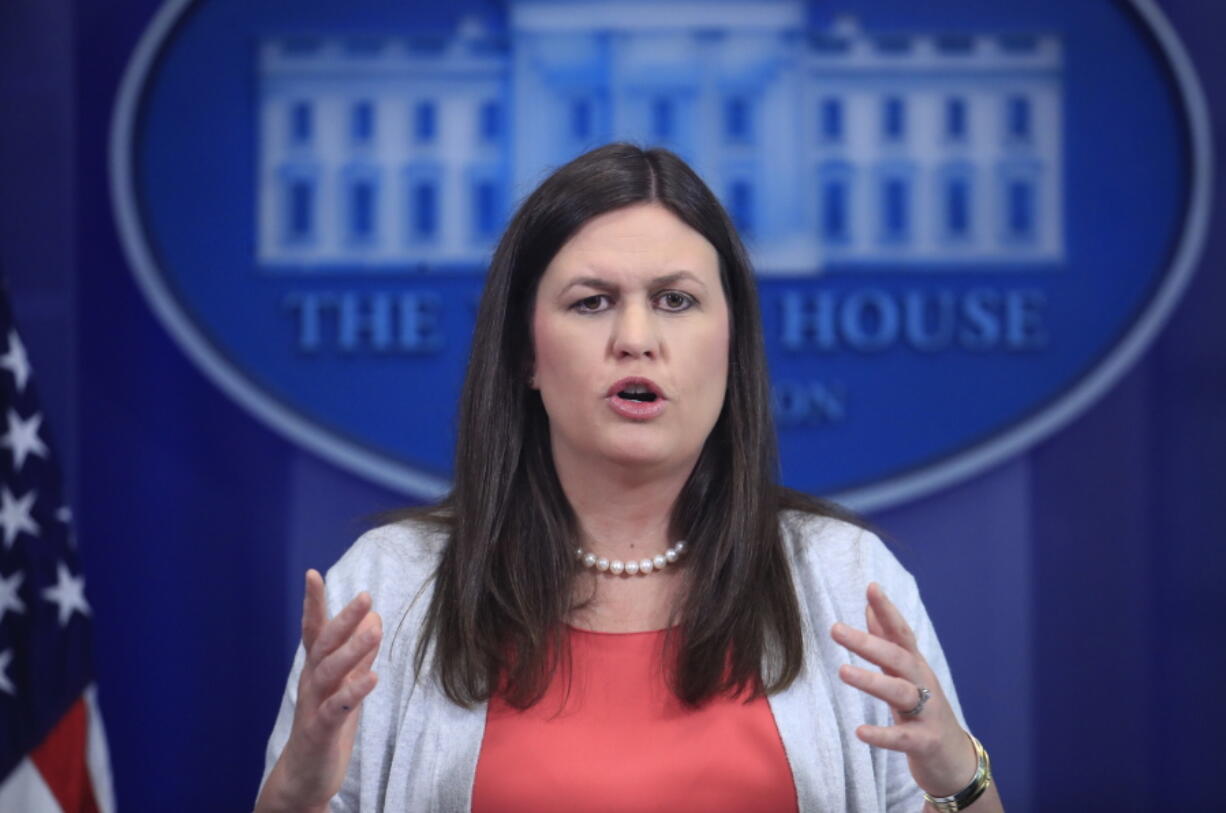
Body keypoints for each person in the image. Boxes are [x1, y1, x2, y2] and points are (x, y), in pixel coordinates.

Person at [254, 143, 1004, 812]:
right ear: (526, 354)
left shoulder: (848, 580)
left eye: (675, 300)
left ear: (732, 343)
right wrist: (297, 792)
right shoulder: (392, 587)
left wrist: (954, 775)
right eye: (593, 302)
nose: (636, 339)